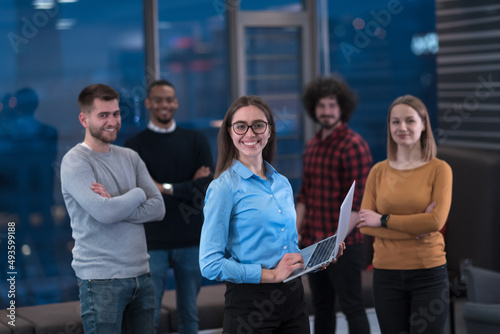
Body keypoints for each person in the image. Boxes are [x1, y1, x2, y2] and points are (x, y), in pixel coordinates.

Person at [199, 95, 345, 334]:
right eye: (240, 126)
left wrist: (314, 259)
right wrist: (271, 275)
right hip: (250, 304)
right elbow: (209, 264)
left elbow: (286, 250)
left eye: (258, 125)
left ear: (269, 131)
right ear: (229, 132)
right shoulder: (223, 187)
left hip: (293, 297)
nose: (250, 133)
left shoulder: (282, 183)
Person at [60, 84, 165, 333]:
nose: (112, 121)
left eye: (116, 114)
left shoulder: (130, 156)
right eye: (103, 115)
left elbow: (158, 208)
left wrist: (116, 203)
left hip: (142, 275)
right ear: (84, 119)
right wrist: (138, 194)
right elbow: (105, 213)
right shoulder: (75, 161)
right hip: (100, 280)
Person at [357, 95, 453, 334]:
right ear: (389, 127)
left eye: (410, 121)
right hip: (386, 275)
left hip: (428, 273)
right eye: (395, 122)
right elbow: (364, 225)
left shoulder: (439, 169)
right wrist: (416, 228)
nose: (402, 128)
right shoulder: (378, 171)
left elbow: (435, 221)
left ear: (423, 125)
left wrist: (383, 220)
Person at [125, 79, 213, 334]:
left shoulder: (195, 139)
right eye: (159, 100)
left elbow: (205, 188)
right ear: (149, 103)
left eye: (169, 99)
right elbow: (141, 193)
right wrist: (186, 187)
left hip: (191, 240)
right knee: (148, 318)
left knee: (190, 316)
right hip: (153, 243)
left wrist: (163, 188)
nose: (165, 105)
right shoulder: (134, 146)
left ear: (176, 102)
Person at [296, 76, 372, 334]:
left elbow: (357, 205)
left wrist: (334, 244)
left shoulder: (354, 145)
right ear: (313, 109)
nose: (326, 111)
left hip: (346, 245)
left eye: (332, 105)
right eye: (321, 106)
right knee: (321, 306)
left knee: (352, 307)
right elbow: (304, 196)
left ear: (342, 108)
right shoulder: (312, 146)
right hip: (314, 243)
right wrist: (296, 232)